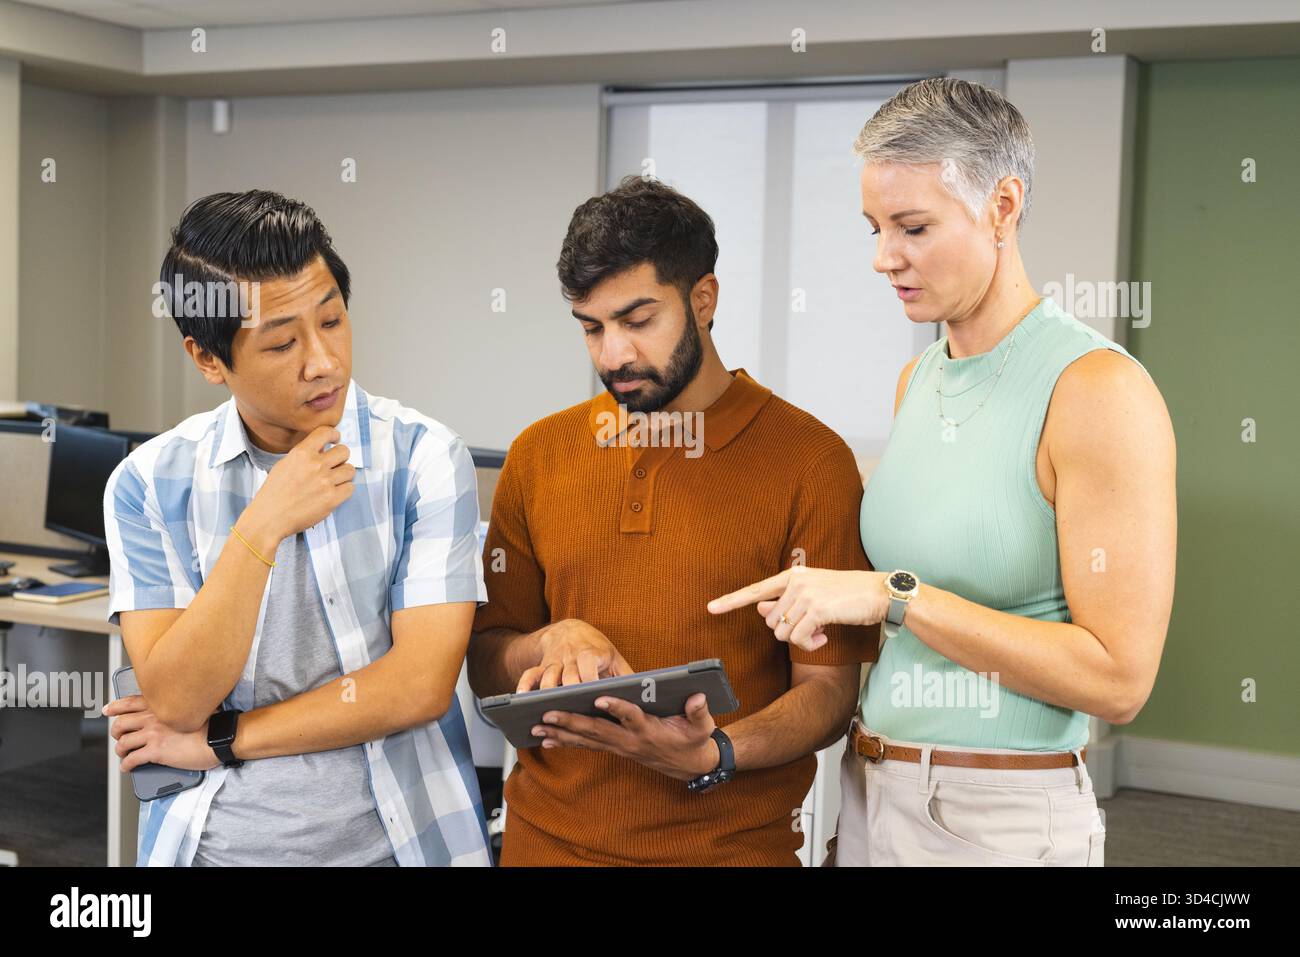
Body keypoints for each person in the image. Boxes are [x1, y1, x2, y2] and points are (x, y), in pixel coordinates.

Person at [709, 78, 1177, 867]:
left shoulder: (1097, 390)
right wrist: (830, 602)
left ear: (1002, 206)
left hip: (997, 817)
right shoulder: (918, 380)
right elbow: (920, 608)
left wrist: (894, 596)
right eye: (875, 227)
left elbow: (1118, 678)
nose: (883, 257)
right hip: (871, 787)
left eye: (913, 226)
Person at [468, 176, 878, 866]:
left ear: (704, 300)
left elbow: (829, 692)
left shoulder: (812, 462)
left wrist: (713, 751)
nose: (612, 355)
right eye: (591, 327)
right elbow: (486, 661)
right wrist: (546, 643)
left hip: (730, 852)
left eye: (637, 321)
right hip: (543, 847)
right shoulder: (540, 454)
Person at [103, 190, 491, 866]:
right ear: (207, 358)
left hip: (398, 842)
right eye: (283, 341)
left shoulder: (424, 456)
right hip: (215, 847)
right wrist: (263, 524)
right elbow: (175, 697)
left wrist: (222, 738)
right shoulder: (147, 483)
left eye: (333, 320)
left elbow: (420, 684)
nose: (325, 362)